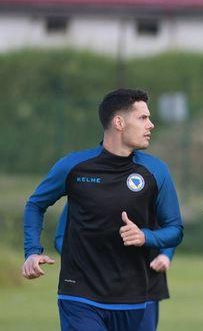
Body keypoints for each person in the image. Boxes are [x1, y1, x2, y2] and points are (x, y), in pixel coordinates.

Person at [22, 88, 183, 331]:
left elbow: (175, 230)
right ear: (119, 122)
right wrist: (32, 251)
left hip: (133, 297)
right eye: (143, 118)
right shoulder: (74, 167)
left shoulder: (156, 172)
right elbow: (36, 204)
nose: (151, 125)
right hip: (79, 293)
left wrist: (145, 236)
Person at [54, 204, 174, 331]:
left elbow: (172, 227)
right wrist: (84, 258)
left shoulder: (153, 186)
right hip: (89, 286)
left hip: (145, 284)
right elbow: (61, 237)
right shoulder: (82, 187)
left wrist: (165, 255)